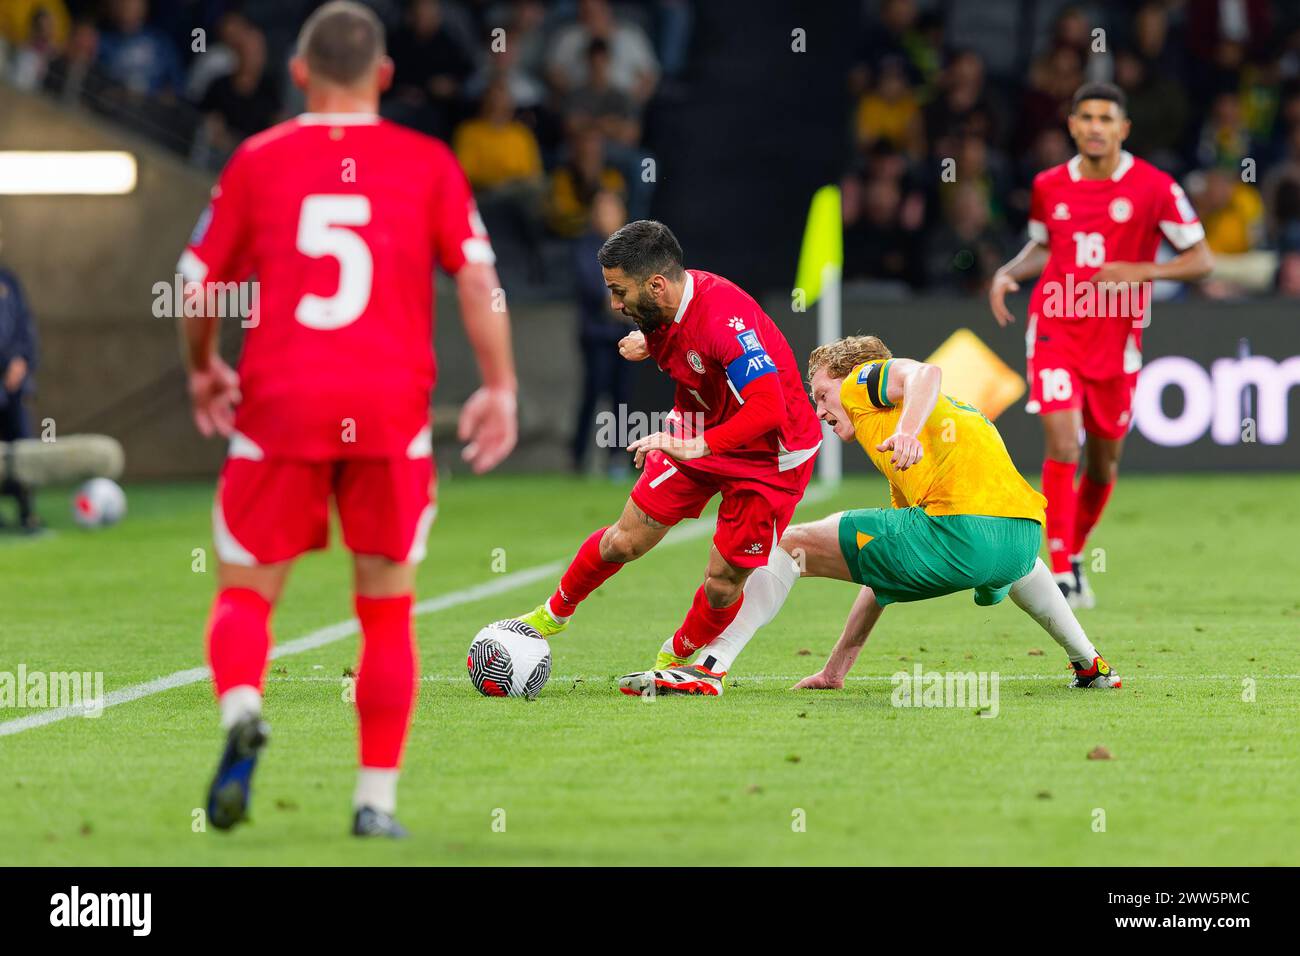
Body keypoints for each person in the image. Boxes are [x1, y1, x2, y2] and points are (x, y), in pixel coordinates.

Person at [177, 1, 517, 839]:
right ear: (386, 76)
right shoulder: (427, 162)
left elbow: (195, 281)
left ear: (298, 74)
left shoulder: (258, 159)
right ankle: (374, 805)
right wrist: (501, 386)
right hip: (389, 406)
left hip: (280, 401)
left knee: (246, 594)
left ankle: (244, 709)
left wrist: (203, 368)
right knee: (387, 613)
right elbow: (477, 282)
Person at [619, 336, 1121, 697]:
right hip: (1019, 542)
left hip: (959, 534)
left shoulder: (863, 381)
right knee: (1002, 564)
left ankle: (710, 666)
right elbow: (882, 576)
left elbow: (925, 372)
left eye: (821, 394)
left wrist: (904, 428)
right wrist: (838, 668)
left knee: (789, 543)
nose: (819, 408)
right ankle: (1090, 663)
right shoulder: (924, 445)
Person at [513, 220, 821, 688]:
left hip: (771, 456)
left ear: (656, 284)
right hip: (699, 429)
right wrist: (649, 341)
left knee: (722, 585)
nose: (615, 305)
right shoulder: (660, 310)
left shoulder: (723, 318)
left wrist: (699, 444)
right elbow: (679, 340)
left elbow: (767, 406)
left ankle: (674, 655)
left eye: (620, 292)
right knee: (623, 540)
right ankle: (548, 618)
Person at [989, 82, 1213, 608]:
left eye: (1105, 118)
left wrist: (1141, 269)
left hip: (1116, 338)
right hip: (1056, 326)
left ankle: (1075, 553)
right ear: (1071, 125)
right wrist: (1007, 271)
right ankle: (1061, 570)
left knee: (1103, 462)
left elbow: (1201, 258)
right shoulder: (1049, 185)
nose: (1094, 126)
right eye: (1085, 116)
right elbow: (1046, 245)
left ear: (1123, 128)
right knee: (1064, 444)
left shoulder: (1155, 187)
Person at [569, 190, 634, 475]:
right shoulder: (586, 247)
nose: (608, 215)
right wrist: (624, 305)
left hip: (626, 335)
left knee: (623, 397)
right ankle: (578, 457)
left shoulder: (632, 248)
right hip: (597, 336)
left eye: (613, 209)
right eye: (603, 209)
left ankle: (618, 458)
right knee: (594, 392)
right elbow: (592, 288)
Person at [0, 217, 41, 533]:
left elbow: (25, 328)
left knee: (23, 447)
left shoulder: (9, 282)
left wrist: (21, 361)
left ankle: (28, 513)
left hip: (13, 386)